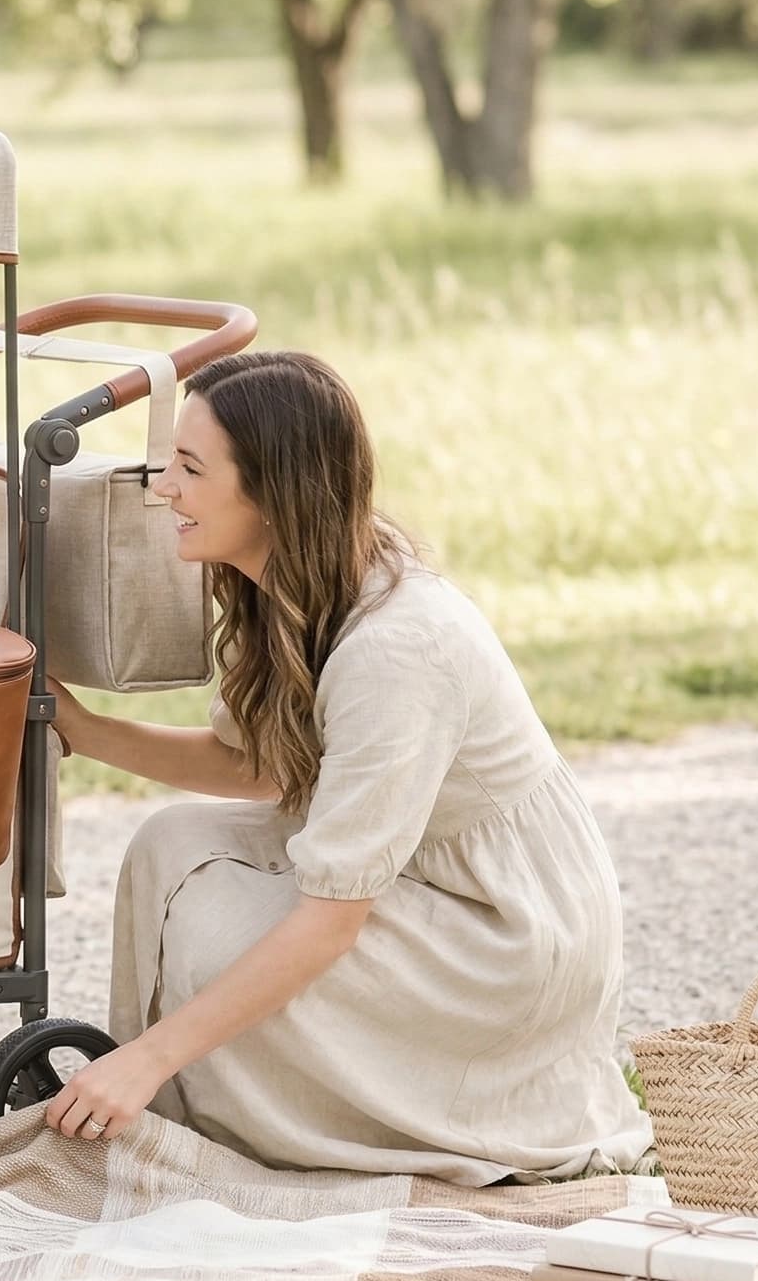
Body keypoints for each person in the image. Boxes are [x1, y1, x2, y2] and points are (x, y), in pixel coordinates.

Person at [42, 350, 652, 1184]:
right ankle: (186, 1103)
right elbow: (257, 767)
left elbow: (332, 919)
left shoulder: (399, 651)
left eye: (189, 468)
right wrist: (81, 726)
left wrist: (146, 1055)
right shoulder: (288, 587)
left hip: (503, 932)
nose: (163, 489)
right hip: (422, 876)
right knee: (170, 843)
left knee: (221, 937)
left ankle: (226, 1116)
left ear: (274, 490)